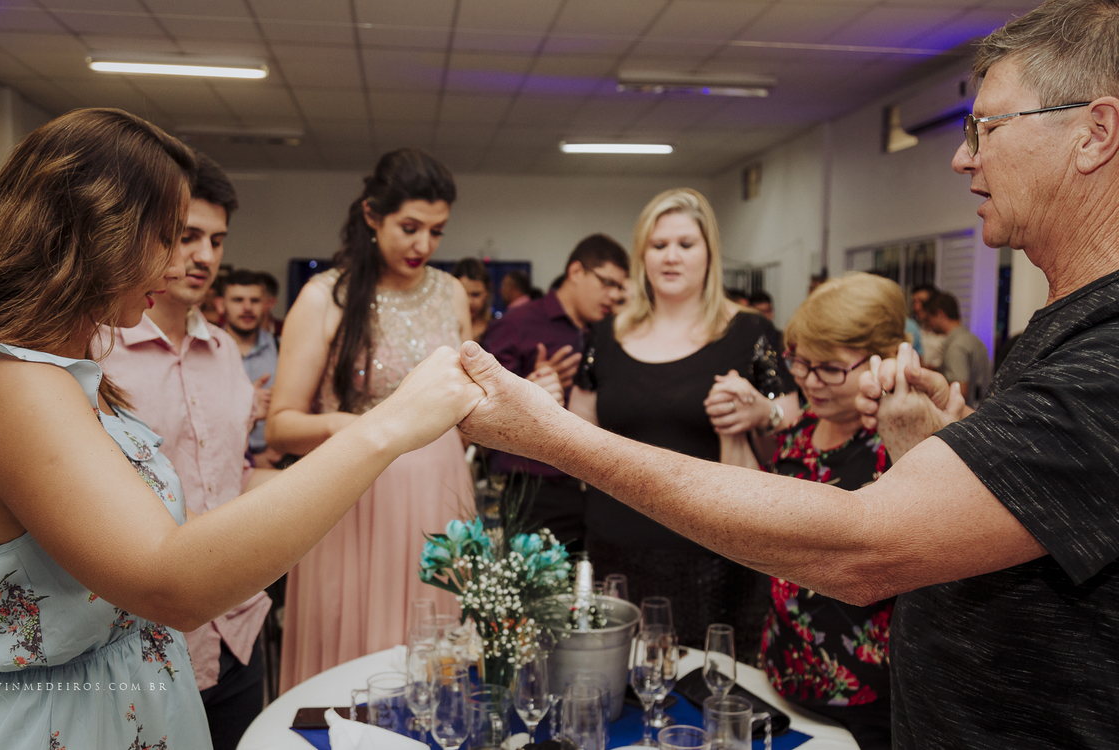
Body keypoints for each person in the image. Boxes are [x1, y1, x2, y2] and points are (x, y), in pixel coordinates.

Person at [455, 2, 1119, 744]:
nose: (963, 158)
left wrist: (556, 438)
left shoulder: (1108, 357)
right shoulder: (1066, 332)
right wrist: (950, 440)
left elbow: (862, 547)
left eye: (985, 128)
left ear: (1094, 133)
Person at [0, 108, 481, 750]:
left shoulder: (58, 371)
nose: (178, 261)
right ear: (98, 232)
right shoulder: (14, 383)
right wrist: (387, 427)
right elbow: (171, 581)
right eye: (165, 234)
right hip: (55, 720)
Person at [266, 148, 475, 690]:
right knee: (354, 646)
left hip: (441, 491)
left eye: (436, 232)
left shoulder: (451, 293)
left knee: (432, 649)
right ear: (371, 216)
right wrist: (353, 428)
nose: (423, 245)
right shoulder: (323, 297)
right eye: (409, 227)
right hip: (355, 491)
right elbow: (280, 425)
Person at [94, 153, 276, 750]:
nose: (205, 256)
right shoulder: (96, 350)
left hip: (237, 625)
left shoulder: (225, 350)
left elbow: (232, 473)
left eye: (217, 240)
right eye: (186, 236)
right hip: (144, 635)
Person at [568, 189, 799, 655]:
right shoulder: (607, 334)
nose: (671, 256)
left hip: (710, 549)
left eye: (685, 244)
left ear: (708, 253)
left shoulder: (748, 331)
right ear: (642, 257)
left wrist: (761, 411)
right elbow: (578, 429)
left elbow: (795, 424)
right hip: (616, 539)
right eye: (658, 246)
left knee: (705, 687)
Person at [756, 273, 906, 750]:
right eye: (800, 363)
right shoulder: (798, 433)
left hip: (864, 702)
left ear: (882, 358)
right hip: (781, 673)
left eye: (830, 369)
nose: (810, 382)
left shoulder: (898, 446)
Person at [480, 234, 628, 552]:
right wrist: (530, 388)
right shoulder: (519, 324)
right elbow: (481, 407)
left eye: (620, 287)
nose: (613, 295)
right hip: (538, 487)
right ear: (576, 272)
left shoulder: (614, 331)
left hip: (604, 486)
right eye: (607, 283)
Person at [219, 268, 281, 467]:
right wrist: (247, 401)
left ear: (265, 306)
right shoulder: (204, 350)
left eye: (254, 301)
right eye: (238, 300)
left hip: (275, 459)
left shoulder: (283, 347)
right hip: (224, 461)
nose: (247, 307)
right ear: (221, 305)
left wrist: (278, 451)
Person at [923, 291, 992, 408]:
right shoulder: (973, 340)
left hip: (967, 416)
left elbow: (960, 389)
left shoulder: (955, 347)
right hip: (982, 411)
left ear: (940, 314)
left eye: (928, 319)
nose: (927, 325)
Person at [452, 257, 494, 342]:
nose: (469, 302)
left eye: (475, 295)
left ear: (487, 292)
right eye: (463, 294)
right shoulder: (446, 328)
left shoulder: (497, 329)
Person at [910, 284, 945, 368]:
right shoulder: (913, 328)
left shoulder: (944, 334)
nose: (917, 307)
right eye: (914, 302)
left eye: (922, 302)